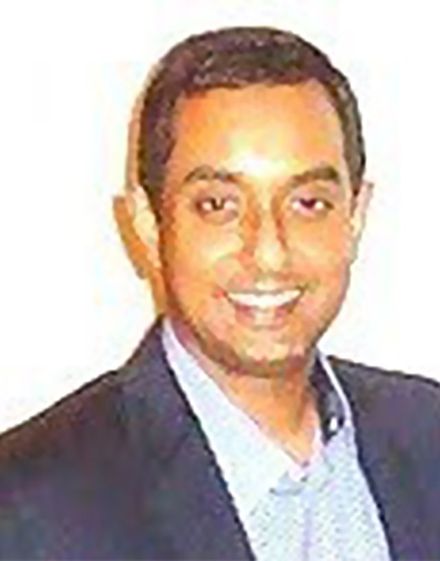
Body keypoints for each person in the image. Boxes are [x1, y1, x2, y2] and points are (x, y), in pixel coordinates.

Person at [0, 26, 439, 561]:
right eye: (218, 206)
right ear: (148, 224)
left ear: (355, 216)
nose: (269, 253)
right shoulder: (28, 507)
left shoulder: (429, 436)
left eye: (308, 203)